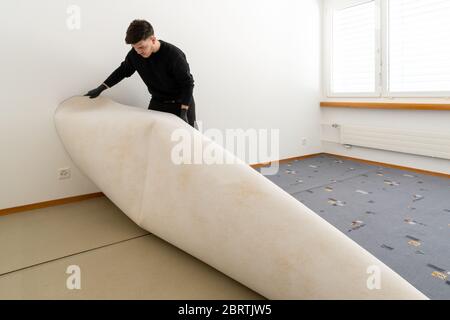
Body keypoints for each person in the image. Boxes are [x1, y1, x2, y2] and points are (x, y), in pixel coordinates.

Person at [85, 19, 196, 128]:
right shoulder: (135, 55)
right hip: (158, 102)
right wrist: (101, 88)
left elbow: (188, 84)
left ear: (152, 39)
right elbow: (122, 71)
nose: (138, 52)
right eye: (134, 48)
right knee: (150, 136)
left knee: (188, 142)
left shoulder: (174, 55)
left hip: (182, 104)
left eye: (141, 47)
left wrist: (184, 112)